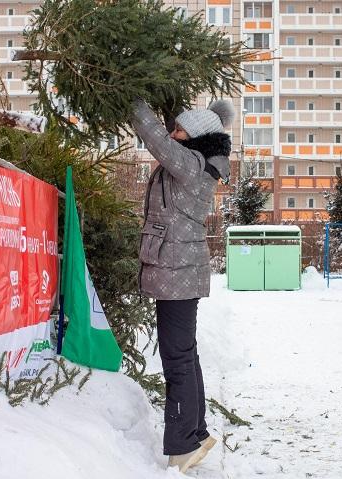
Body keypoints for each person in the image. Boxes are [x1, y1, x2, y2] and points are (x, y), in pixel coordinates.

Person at [130, 98, 234, 472]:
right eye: (174, 129)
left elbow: (156, 139)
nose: (174, 135)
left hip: (178, 273)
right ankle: (196, 433)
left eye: (180, 131)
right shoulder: (197, 162)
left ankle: (183, 444)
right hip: (179, 271)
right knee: (185, 354)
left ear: (197, 139)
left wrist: (131, 95)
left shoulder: (191, 165)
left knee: (176, 358)